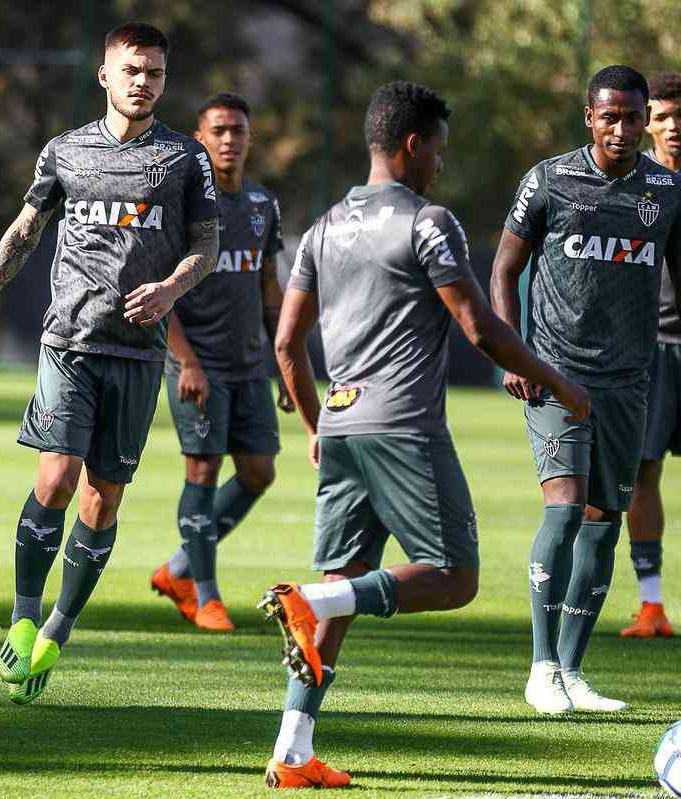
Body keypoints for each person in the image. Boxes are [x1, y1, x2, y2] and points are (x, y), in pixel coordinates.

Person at [266, 80, 588, 788]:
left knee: (346, 585)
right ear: (413, 145)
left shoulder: (321, 228)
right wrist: (559, 382)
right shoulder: (428, 222)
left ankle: (291, 754)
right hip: (405, 426)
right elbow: (479, 327)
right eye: (438, 151)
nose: (441, 165)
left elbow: (287, 343)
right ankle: (308, 602)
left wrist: (319, 426)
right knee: (454, 577)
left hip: (345, 429)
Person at [0, 21, 219, 706]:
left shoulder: (186, 160)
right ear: (104, 74)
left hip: (137, 355)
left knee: (104, 497)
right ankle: (20, 615)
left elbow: (206, 247)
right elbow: (24, 230)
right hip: (69, 341)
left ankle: (56, 631)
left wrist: (169, 289)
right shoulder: (65, 152)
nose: (143, 82)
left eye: (155, 73)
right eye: (132, 69)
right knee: (57, 476)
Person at [493, 65, 681, 714]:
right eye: (611, 116)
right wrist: (513, 352)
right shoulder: (549, 180)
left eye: (633, 117)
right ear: (589, 117)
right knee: (565, 508)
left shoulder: (666, 190)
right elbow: (504, 268)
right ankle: (541, 665)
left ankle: (573, 670)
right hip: (555, 372)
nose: (623, 129)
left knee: (606, 523)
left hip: (630, 381)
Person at [150, 91, 289, 632]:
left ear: (249, 138)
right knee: (203, 469)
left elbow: (268, 285)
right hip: (197, 363)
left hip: (249, 363)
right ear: (200, 138)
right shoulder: (183, 206)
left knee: (259, 471)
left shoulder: (262, 205)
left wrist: (283, 357)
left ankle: (180, 569)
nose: (230, 140)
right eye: (219, 131)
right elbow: (161, 294)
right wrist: (185, 361)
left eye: (238, 130)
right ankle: (206, 596)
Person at [623, 71, 681, 639]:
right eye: (661, 116)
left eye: (679, 115)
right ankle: (651, 604)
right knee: (644, 474)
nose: (673, 126)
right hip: (653, 350)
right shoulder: (634, 184)